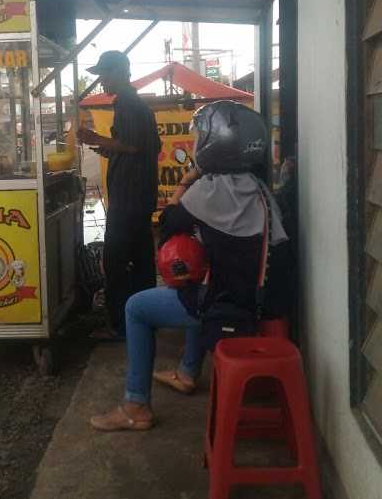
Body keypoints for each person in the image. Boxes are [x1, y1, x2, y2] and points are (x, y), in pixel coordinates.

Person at [90, 100, 293, 431]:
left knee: (137, 307)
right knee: (198, 281)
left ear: (217, 144)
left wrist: (189, 177)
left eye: (201, 136)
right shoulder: (257, 188)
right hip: (263, 300)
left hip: (234, 307)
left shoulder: (213, 191)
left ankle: (135, 405)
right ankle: (186, 372)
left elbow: (168, 224)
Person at [77, 51, 161, 340]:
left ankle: (117, 326)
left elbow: (134, 146)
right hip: (138, 197)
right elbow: (146, 147)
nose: (101, 80)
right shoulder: (136, 105)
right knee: (140, 260)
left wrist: (95, 138)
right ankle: (146, 317)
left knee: (115, 261)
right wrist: (106, 148)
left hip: (129, 198)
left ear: (119, 72)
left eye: (104, 74)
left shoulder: (128, 103)